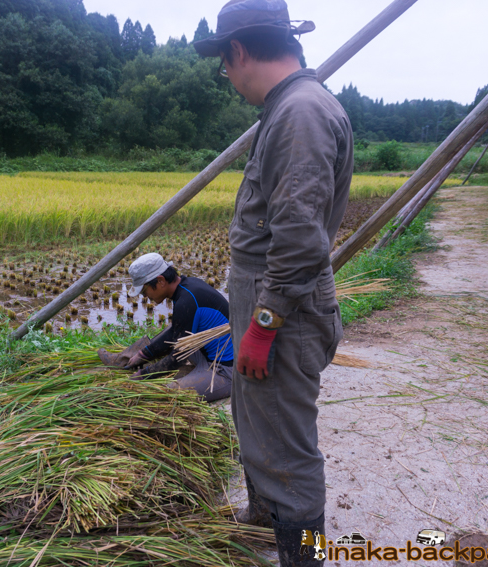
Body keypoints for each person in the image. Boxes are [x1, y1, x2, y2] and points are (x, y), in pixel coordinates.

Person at [193, 1, 352, 565]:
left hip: (282, 321)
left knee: (289, 451)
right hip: (271, 314)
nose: (228, 77)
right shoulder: (288, 108)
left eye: (224, 64)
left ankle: (301, 557)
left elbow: (300, 239)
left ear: (238, 52)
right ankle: (265, 521)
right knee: (258, 426)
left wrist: (261, 327)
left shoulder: (300, 113)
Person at [123, 252, 234, 402]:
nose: (145, 296)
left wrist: (144, 374)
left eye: (144, 290)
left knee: (167, 394)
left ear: (161, 281)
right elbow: (176, 332)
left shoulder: (187, 301)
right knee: (173, 327)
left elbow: (178, 358)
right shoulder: (187, 286)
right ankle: (124, 358)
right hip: (204, 352)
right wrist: (144, 354)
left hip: (225, 370)